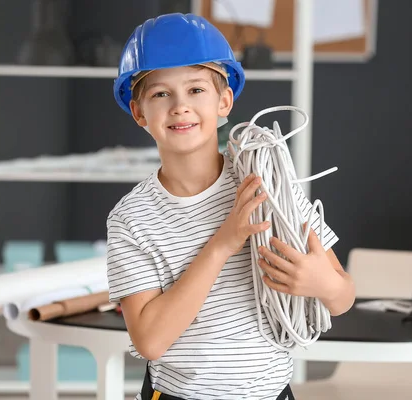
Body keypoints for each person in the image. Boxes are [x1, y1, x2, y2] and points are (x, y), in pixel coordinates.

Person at [107, 12, 355, 400]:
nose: (179, 107)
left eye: (195, 90)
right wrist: (224, 242)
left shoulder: (266, 185)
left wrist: (321, 283)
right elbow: (151, 342)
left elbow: (343, 296)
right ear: (139, 113)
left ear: (224, 101)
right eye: (160, 94)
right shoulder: (132, 218)